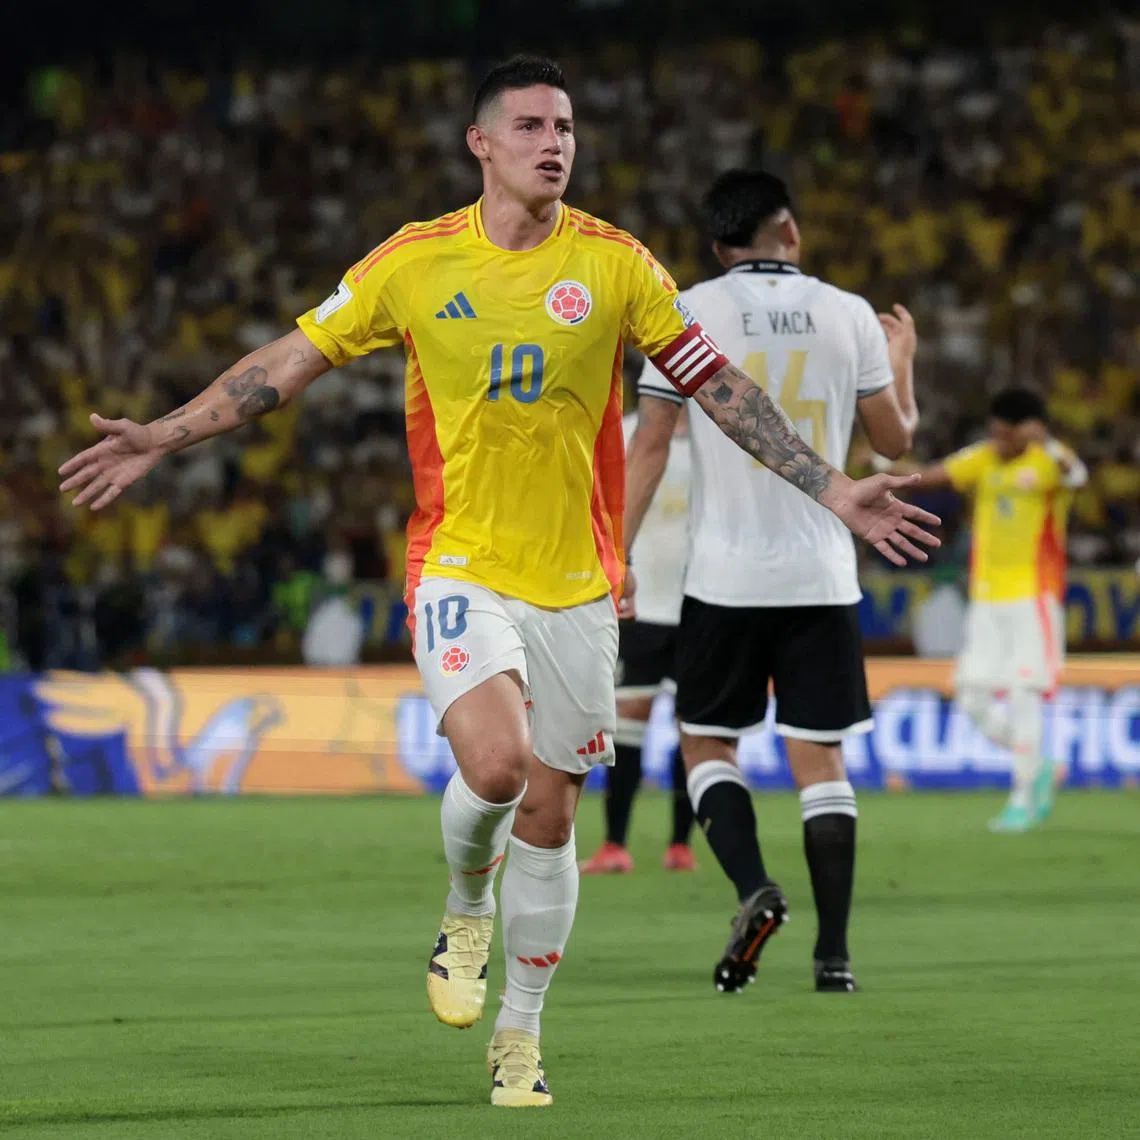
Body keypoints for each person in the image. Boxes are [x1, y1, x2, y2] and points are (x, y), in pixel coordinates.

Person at [58, 59, 940, 1108]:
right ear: (482, 144)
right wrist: (162, 435)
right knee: (493, 766)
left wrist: (835, 485)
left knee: (556, 820)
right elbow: (287, 366)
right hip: (462, 563)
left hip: (577, 585)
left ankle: (518, 1037)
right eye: (528, 125)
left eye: (564, 125)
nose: (553, 142)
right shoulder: (416, 261)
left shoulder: (618, 265)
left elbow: (721, 388)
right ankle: (466, 903)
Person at [627, 169, 920, 996]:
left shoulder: (688, 307)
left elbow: (651, 444)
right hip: (823, 569)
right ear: (789, 229)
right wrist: (903, 363)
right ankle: (835, 957)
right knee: (819, 760)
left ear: (720, 247)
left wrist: (613, 550)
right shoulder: (851, 313)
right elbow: (894, 442)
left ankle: (754, 886)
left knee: (706, 742)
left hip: (722, 572)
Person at [906, 388, 1086, 833]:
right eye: (995, 432)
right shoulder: (984, 458)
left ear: (1030, 429)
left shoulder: (1049, 461)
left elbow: (1078, 475)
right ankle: (1040, 762)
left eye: (1006, 433)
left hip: (1033, 596)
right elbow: (935, 476)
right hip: (985, 601)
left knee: (1024, 695)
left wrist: (1045, 442)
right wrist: (888, 473)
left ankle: (1024, 798)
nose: (997, 440)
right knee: (971, 698)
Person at [581, 406, 695, 875]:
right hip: (640, 604)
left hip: (702, 605)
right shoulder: (625, 434)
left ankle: (681, 846)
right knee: (628, 722)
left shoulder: (721, 438)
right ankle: (615, 844)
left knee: (697, 730)